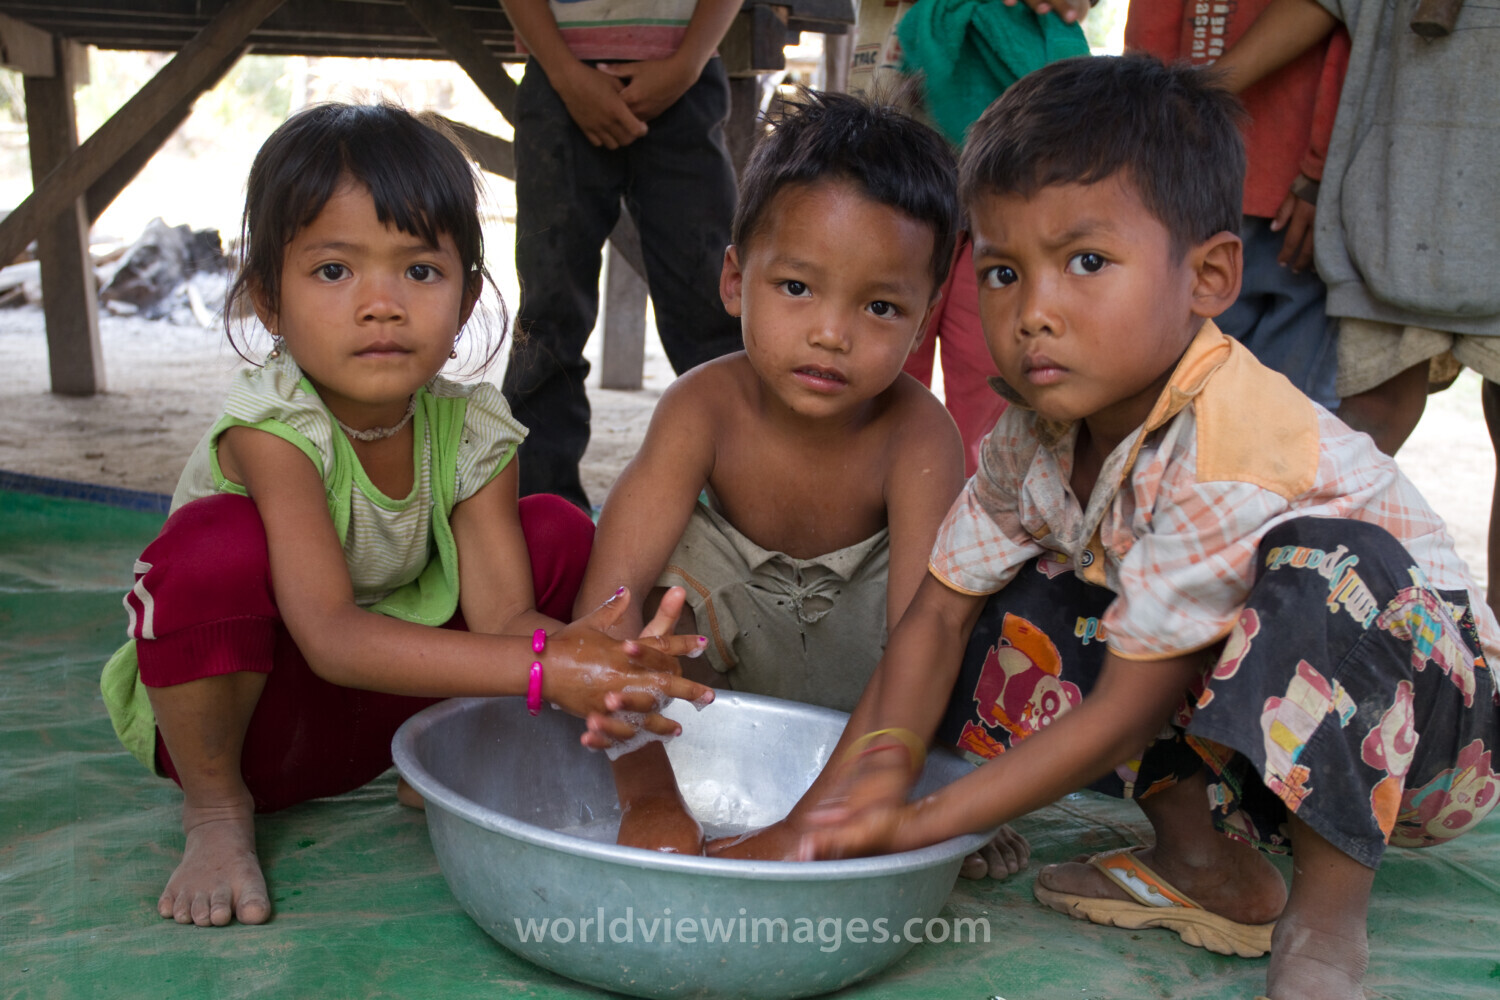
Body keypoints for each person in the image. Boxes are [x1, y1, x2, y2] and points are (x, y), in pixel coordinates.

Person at [737, 57, 1495, 1000]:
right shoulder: (1031, 443)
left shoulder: (1229, 445)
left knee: (1327, 568)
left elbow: (1133, 706)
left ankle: (1328, 923)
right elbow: (932, 622)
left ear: (1210, 275)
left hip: (1429, 742)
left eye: (1086, 262)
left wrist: (919, 825)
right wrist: (834, 810)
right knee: (997, 598)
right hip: (1254, 737)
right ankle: (1202, 864)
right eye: (1004, 272)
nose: (1034, 313)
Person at [97, 103, 712, 929]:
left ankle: (439, 768)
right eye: (334, 271)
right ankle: (214, 815)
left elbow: (503, 616)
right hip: (266, 729)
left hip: (393, 709)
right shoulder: (272, 428)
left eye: (419, 272)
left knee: (555, 531)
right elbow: (331, 636)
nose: (381, 304)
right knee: (211, 550)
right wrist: (545, 669)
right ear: (267, 303)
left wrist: (601, 660)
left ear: (465, 303)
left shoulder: (471, 426)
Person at [574, 90, 1026, 879]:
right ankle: (654, 779)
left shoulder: (921, 435)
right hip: (727, 691)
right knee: (639, 590)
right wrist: (648, 795)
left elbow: (926, 650)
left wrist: (817, 823)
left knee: (970, 599)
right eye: (796, 288)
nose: (831, 332)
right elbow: (602, 618)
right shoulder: (700, 409)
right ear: (733, 280)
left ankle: (931, 789)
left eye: (880, 306)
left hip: (878, 692)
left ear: (923, 326)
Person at [1209, 0, 1500, 624]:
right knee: (1364, 421)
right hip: (1394, 204)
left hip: (1434, 193)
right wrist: (1200, 89)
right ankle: (1267, 614)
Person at [498, 0, 746, 511]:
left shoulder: (686, 72)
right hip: (558, 75)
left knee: (717, 308)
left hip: (685, 75)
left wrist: (685, 65)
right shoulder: (562, 78)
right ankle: (541, 512)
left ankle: (742, 505)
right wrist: (567, 74)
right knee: (549, 315)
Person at [1127, 0, 1349, 410]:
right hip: (1190, 185)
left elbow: (1349, 31)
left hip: (1290, 196)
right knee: (1177, 404)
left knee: (1284, 411)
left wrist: (1322, 170)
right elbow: (1149, 35)